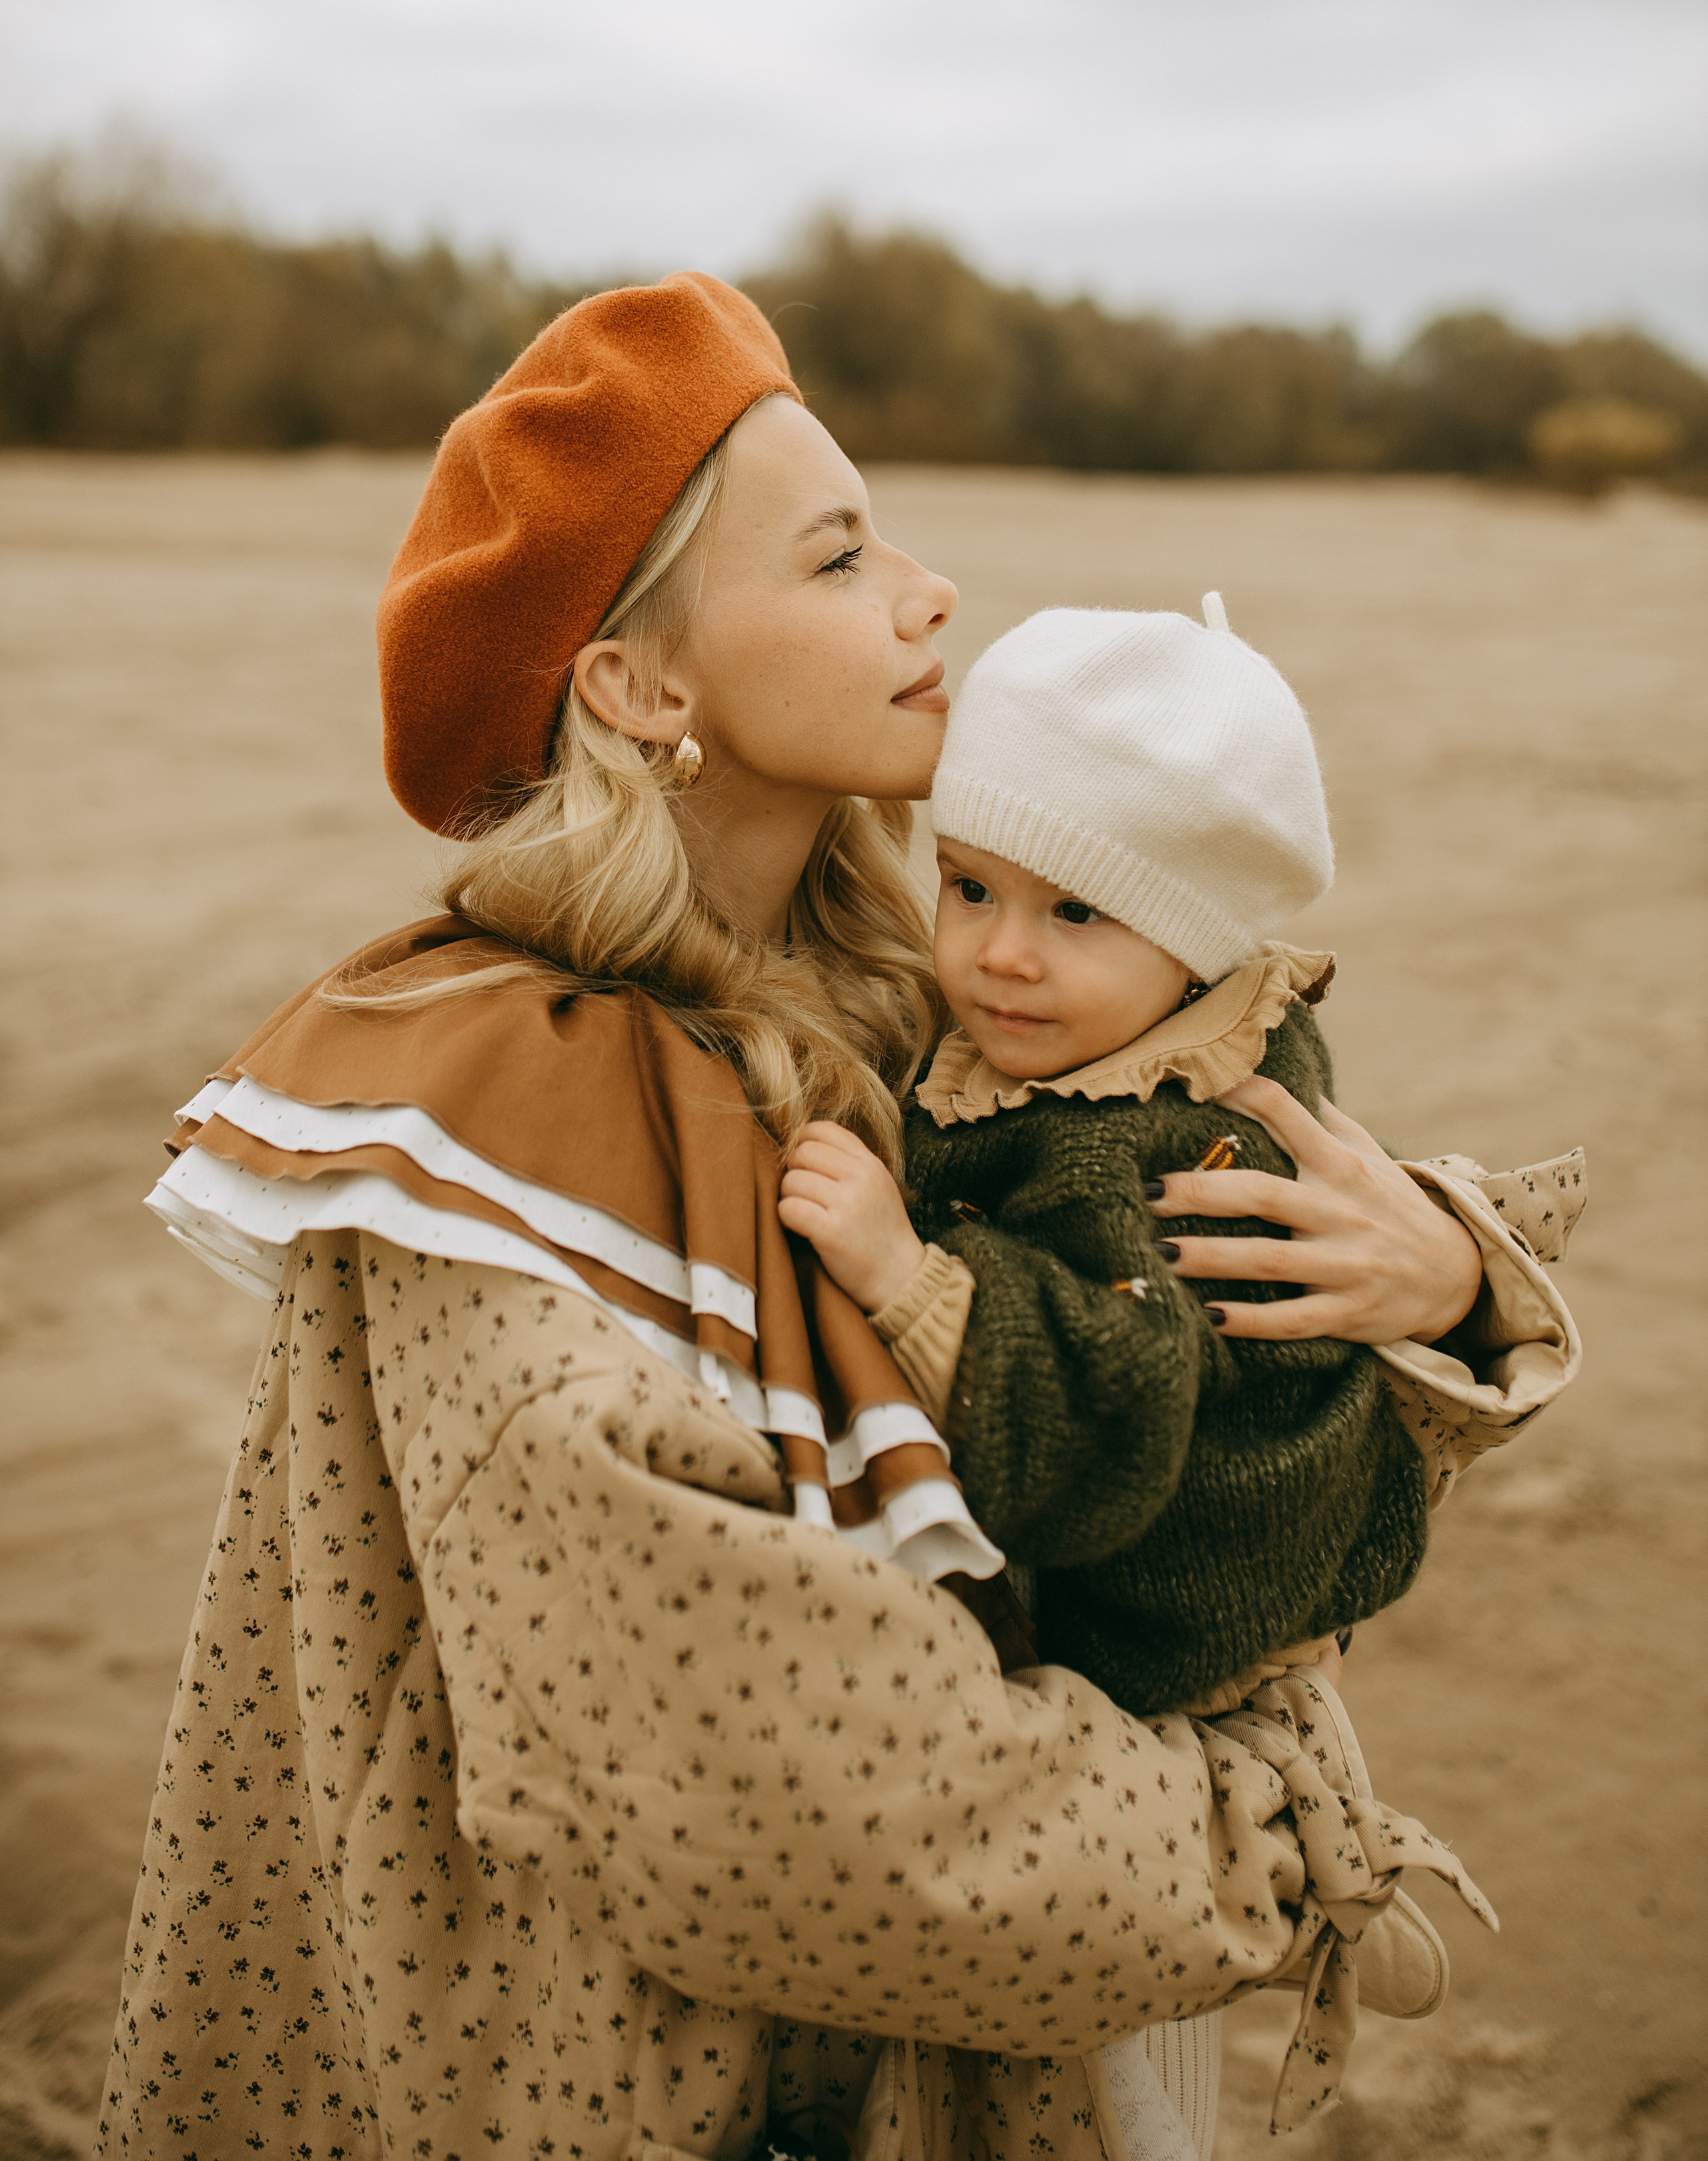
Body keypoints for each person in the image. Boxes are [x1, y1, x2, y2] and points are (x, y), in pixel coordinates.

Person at [99, 276, 1578, 2161]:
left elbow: (1183, 1327)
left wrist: (1445, 1283)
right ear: (639, 686)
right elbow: (790, 1809)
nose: (928, 590)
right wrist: (1261, 1842)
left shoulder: (919, 1002)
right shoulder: (498, 1127)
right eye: (837, 554)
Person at [775, 600, 1587, 1727]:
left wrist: (900, 1270)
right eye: (969, 888)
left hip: (1171, 1633)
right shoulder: (1166, 1023)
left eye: (1075, 909)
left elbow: (1113, 1409)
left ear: (1194, 938)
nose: (1002, 954)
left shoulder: (1144, 1135)